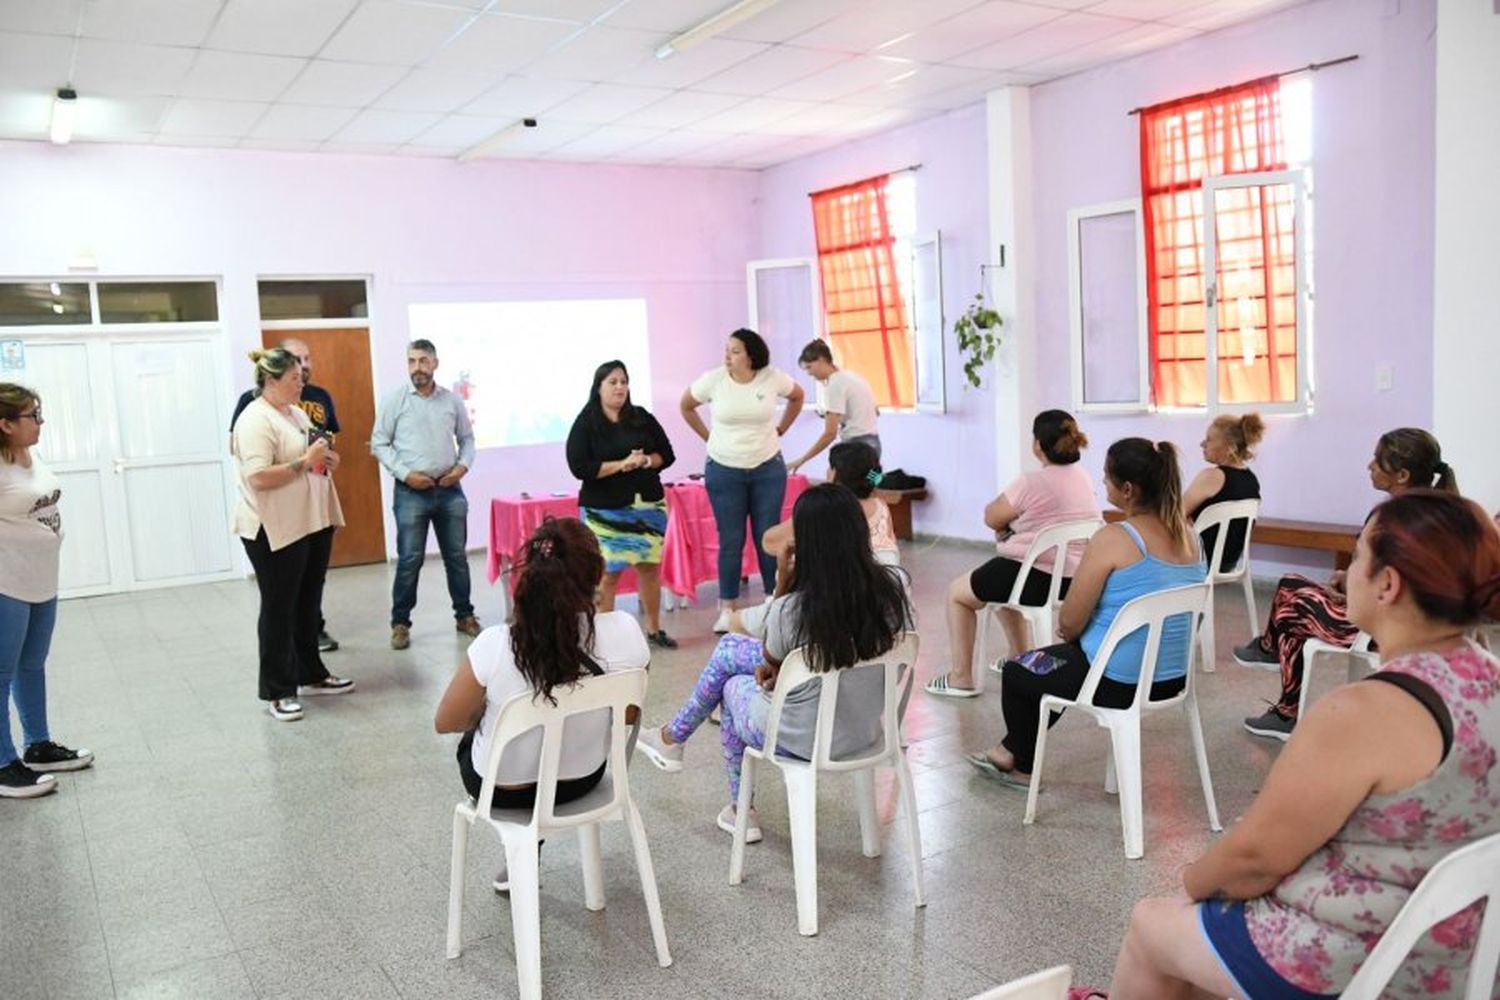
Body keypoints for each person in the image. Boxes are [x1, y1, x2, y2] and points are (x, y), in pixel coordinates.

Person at [1101, 490, 1500, 1000]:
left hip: (1361, 961)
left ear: (1388, 583)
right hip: (1460, 951)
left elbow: (1254, 861)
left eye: (1356, 557)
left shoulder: (1366, 711)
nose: (1346, 573)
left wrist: (1190, 881)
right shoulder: (1485, 677)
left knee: (1153, 923)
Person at [637, 483, 912, 841]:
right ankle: (672, 740)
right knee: (734, 655)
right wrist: (777, 667)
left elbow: (771, 656)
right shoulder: (895, 586)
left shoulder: (793, 609)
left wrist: (783, 580)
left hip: (804, 737)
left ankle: (739, 807)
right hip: (868, 728)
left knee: (731, 682)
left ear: (806, 543)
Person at [965, 438, 1204, 787]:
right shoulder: (1192, 537)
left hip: (1118, 682)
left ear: (1127, 489)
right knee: (1060, 662)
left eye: (1106, 477)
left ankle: (1020, 764)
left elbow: (1070, 622)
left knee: (1020, 670)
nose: (1101, 483)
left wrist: (1074, 631)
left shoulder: (1115, 538)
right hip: (1172, 679)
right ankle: (1007, 750)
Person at [434, 517, 649, 891]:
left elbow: (446, 721)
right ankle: (528, 845)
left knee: (474, 734)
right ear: (597, 573)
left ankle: (523, 850)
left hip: (502, 789)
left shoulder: (496, 644)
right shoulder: (627, 632)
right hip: (582, 781)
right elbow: (628, 715)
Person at [1236, 427, 1459, 741]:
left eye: (1377, 462)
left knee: (1293, 609)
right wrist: (1350, 580)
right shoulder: (1438, 510)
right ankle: (1268, 650)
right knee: (1290, 582)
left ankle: (1286, 710)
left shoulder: (1391, 517)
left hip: (1380, 627)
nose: (1369, 466)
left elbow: (1381, 583)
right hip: (1408, 615)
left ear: (1402, 474)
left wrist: (1350, 591)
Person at [927, 410, 1099, 698]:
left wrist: (1008, 525)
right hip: (1075, 578)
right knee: (1000, 579)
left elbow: (992, 517)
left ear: (1037, 445)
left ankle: (960, 677)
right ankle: (1020, 655)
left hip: (1034, 576)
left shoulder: (1030, 482)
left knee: (957, 594)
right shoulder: (1082, 477)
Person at [231, 349, 354, 722]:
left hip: (310, 519)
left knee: (307, 603)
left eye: (302, 376)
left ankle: (310, 673)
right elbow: (259, 477)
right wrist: (304, 462)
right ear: (271, 381)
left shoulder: (296, 413)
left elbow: (314, 455)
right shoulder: (255, 419)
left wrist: (326, 458)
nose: (302, 382)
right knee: (279, 607)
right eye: (294, 378)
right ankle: (278, 690)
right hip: (273, 527)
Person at [0, 384, 92, 798]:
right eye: (31, 416)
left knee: (32, 664)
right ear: (4, 424)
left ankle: (37, 745)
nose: (40, 423)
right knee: (2, 672)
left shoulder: (30, 456)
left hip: (41, 577)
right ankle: (3, 764)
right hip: (6, 583)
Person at [680, 328, 805, 634]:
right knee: (731, 539)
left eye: (735, 350)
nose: (728, 355)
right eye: (727, 349)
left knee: (768, 535)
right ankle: (727, 607)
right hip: (725, 469)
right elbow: (686, 405)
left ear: (751, 354)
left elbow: (798, 397)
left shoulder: (772, 377)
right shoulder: (714, 379)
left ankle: (773, 601)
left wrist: (781, 430)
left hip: (767, 467)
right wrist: (710, 438)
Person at [372, 338, 480, 649]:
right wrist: (405, 474)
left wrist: (461, 467)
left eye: (422, 360)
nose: (417, 367)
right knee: (410, 559)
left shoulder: (451, 401)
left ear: (434, 363)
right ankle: (400, 623)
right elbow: (379, 442)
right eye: (411, 361)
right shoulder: (395, 400)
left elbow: (468, 439)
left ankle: (465, 616)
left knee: (457, 558)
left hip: (449, 489)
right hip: (411, 492)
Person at [730, 440, 898, 639]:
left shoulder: (823, 510)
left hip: (829, 607)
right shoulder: (881, 507)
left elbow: (769, 541)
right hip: (879, 607)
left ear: (834, 474)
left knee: (734, 622)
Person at [565, 360, 678, 649]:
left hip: (647, 508)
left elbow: (667, 454)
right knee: (608, 573)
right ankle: (605, 639)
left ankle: (654, 629)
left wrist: (645, 461)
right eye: (613, 382)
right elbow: (580, 466)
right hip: (604, 511)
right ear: (599, 387)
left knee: (649, 568)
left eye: (624, 382)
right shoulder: (587, 422)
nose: (620, 387)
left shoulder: (641, 417)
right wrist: (621, 465)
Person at [1181, 412, 1264, 574]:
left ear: (1229, 446)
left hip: (1197, 561)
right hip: (1227, 562)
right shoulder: (1251, 479)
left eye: (1209, 439)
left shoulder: (1212, 476)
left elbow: (1174, 515)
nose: (1202, 444)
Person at [787, 339, 880, 473]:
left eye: (809, 367)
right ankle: (879, 487)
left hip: (855, 451)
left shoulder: (835, 384)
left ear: (821, 360)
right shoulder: (854, 377)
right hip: (874, 446)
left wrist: (802, 460)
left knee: (840, 486)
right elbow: (876, 411)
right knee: (873, 484)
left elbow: (830, 434)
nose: (809, 373)